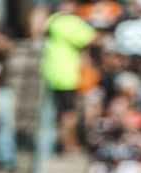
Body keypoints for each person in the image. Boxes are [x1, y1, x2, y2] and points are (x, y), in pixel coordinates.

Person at [42, 1, 96, 153]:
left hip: (54, 72)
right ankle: (68, 142)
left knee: (62, 110)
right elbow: (90, 38)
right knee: (69, 112)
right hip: (65, 74)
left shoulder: (53, 20)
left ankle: (65, 141)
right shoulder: (68, 22)